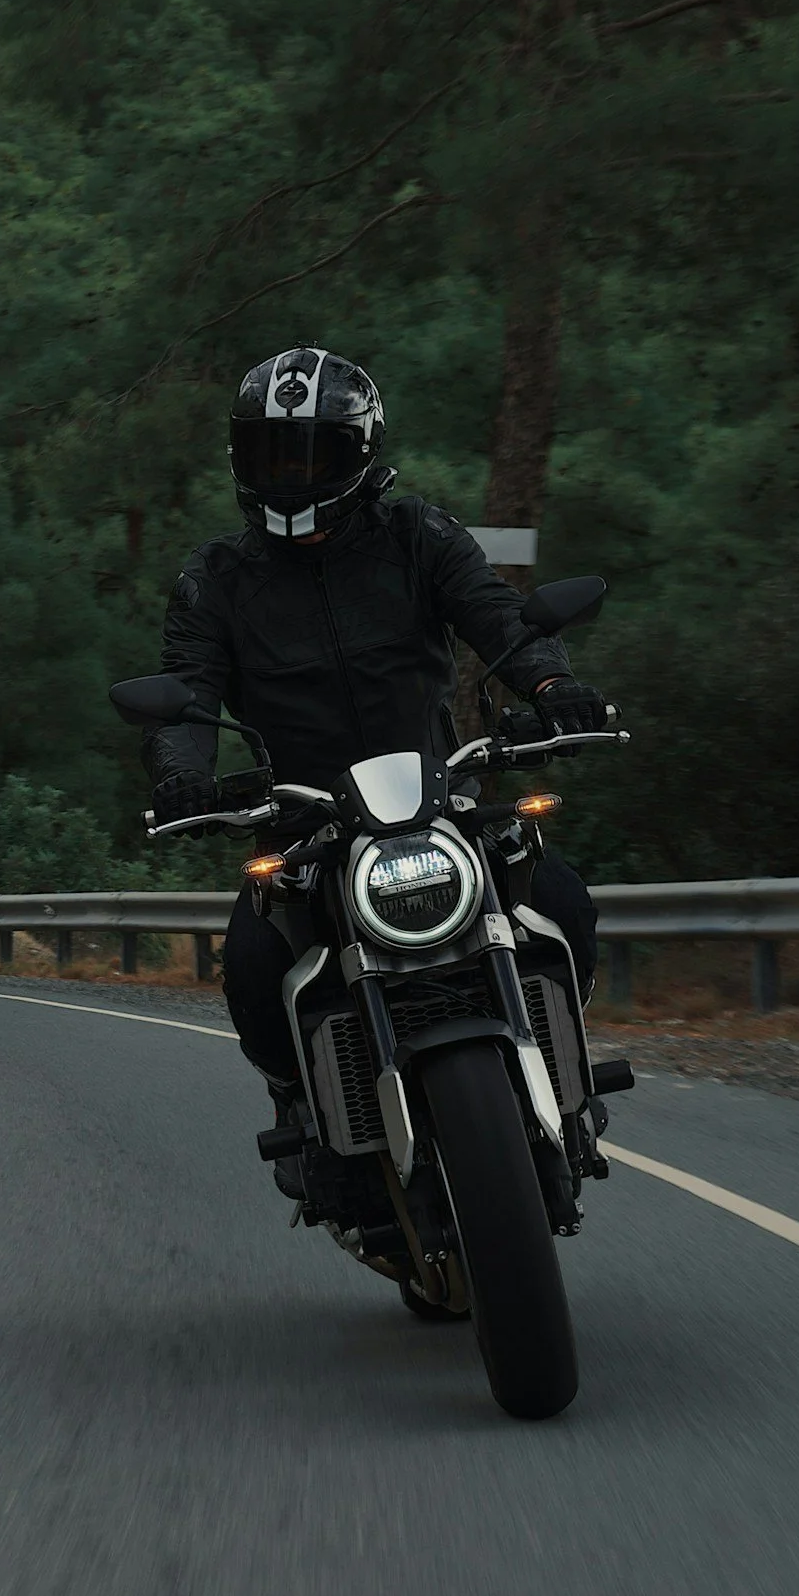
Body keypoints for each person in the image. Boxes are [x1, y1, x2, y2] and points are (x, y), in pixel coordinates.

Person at [142, 348, 611, 1182]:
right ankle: (299, 1102)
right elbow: (186, 688)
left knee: (561, 896)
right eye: (271, 454)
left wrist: (552, 683)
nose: (291, 475)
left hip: (438, 798)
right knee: (253, 958)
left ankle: (565, 1077)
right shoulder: (215, 578)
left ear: (359, 452)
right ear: (240, 459)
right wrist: (182, 770)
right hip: (304, 822)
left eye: (313, 453)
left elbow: (497, 616)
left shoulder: (419, 535)